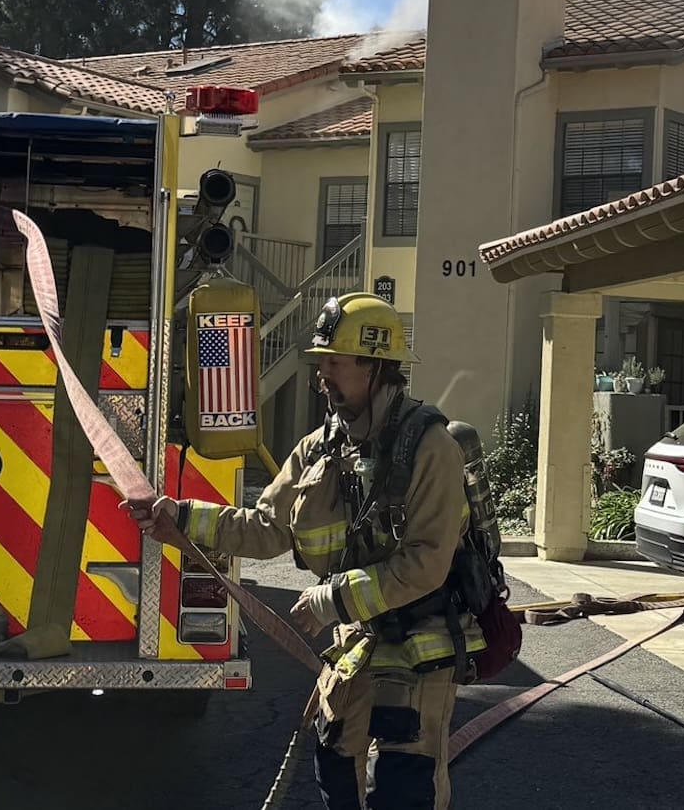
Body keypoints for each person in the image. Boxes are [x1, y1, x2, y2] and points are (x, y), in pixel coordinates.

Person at [132, 292, 484, 810]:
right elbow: (266, 529)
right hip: (356, 643)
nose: (322, 376)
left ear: (375, 367)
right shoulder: (322, 447)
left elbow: (428, 562)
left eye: (334, 363)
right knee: (335, 768)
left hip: (419, 643)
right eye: (320, 363)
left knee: (403, 787)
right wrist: (181, 518)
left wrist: (331, 599)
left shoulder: (430, 448)